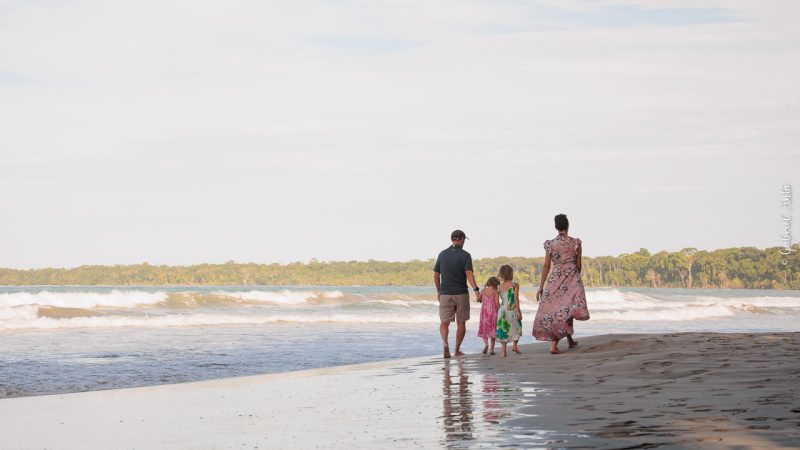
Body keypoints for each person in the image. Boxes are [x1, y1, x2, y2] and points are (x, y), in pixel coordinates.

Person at [533, 214, 590, 354]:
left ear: (556, 227)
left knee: (561, 308)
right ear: (568, 225)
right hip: (572, 277)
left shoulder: (551, 244)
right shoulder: (576, 243)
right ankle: (553, 345)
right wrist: (574, 277)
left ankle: (570, 340)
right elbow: (579, 265)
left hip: (556, 277)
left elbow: (546, 266)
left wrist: (541, 286)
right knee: (567, 308)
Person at [434, 230, 481, 359]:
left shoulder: (442, 254)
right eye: (463, 240)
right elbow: (469, 274)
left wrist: (438, 291)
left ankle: (445, 343)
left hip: (445, 294)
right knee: (461, 322)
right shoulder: (465, 255)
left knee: (444, 322)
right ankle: (457, 350)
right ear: (460, 239)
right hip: (461, 293)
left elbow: (436, 275)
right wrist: (476, 290)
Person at [495, 265, 522, 357]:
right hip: (512, 309)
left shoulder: (499, 286)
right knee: (517, 326)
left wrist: (500, 310)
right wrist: (518, 310)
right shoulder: (515, 285)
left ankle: (503, 352)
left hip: (503, 310)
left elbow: (496, 301)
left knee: (503, 329)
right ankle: (514, 346)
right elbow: (516, 298)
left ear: (501, 274)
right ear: (511, 273)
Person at [477, 276, 500, 355]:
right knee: (493, 330)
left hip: (484, 313)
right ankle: (492, 350)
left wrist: (481, 299)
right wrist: (500, 310)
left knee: (484, 329)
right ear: (496, 284)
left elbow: (477, 299)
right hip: (493, 313)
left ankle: (486, 344)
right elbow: (497, 303)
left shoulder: (483, 290)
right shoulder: (496, 292)